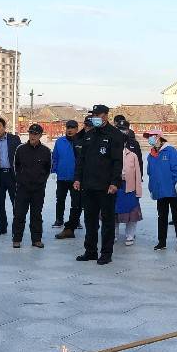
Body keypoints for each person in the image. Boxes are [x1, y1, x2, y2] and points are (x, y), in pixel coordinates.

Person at [74, 104, 124, 265]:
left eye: (98, 114)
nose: (95, 117)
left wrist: (115, 182)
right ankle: (90, 251)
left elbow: (117, 161)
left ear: (106, 116)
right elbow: (81, 160)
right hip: (88, 185)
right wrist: (78, 179)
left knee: (107, 221)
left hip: (106, 187)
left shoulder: (115, 135)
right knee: (90, 220)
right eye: (93, 114)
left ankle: (106, 253)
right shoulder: (89, 134)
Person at [12, 124, 52, 249]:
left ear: (40, 135)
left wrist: (41, 182)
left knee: (36, 215)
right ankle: (17, 239)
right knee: (19, 214)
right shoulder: (21, 149)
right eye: (31, 133)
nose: (33, 136)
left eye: (35, 134)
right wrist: (21, 180)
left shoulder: (46, 151)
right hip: (23, 188)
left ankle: (36, 240)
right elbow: (16, 167)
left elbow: (48, 169)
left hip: (38, 189)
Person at [145, 129, 177, 252]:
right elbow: (150, 173)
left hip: (173, 190)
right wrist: (152, 188)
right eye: (148, 137)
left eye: (151, 136)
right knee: (162, 216)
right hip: (160, 191)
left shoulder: (170, 151)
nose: (149, 139)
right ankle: (162, 242)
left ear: (158, 137)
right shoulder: (151, 155)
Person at [52, 119, 82, 238]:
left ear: (76, 129)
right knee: (60, 199)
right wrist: (54, 170)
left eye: (72, 128)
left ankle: (76, 220)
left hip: (76, 178)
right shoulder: (60, 141)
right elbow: (55, 157)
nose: (70, 130)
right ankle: (59, 219)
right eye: (68, 127)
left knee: (76, 202)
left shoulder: (80, 141)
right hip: (62, 176)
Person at [115, 141, 144, 247]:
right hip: (114, 187)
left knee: (132, 213)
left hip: (129, 188)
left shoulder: (132, 155)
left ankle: (130, 235)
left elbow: (137, 174)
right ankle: (113, 235)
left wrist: (138, 190)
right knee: (113, 213)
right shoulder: (111, 153)